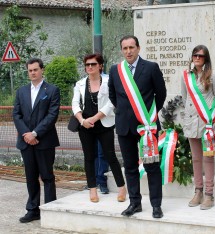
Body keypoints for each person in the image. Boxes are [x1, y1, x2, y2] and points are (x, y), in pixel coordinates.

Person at [108, 35, 167, 218]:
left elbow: (161, 94)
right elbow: (112, 95)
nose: (128, 51)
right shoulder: (116, 70)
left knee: (152, 166)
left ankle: (156, 205)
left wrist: (149, 116)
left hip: (147, 126)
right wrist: (125, 112)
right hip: (124, 126)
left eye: (131, 47)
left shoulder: (150, 67)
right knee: (130, 167)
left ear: (138, 48)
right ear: (121, 50)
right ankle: (135, 203)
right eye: (125, 48)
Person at [72, 53, 126, 203]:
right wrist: (82, 121)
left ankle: (122, 188)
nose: (90, 67)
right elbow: (75, 104)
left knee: (110, 156)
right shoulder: (80, 84)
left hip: (103, 123)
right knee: (89, 158)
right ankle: (93, 189)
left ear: (100, 66)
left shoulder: (109, 81)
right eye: (87, 64)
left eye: (93, 64)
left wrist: (95, 118)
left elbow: (111, 103)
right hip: (85, 126)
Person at [13, 58, 60, 223]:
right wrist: (27, 133)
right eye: (30, 70)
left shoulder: (52, 90)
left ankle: (51, 210)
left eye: (35, 69)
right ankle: (33, 210)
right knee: (31, 177)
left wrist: (35, 133)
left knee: (47, 176)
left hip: (44, 141)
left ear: (42, 70)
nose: (33, 73)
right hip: (26, 142)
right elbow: (16, 115)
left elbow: (52, 115)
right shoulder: (21, 91)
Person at [181, 45, 215, 210]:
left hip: (207, 123)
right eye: (195, 55)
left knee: (208, 158)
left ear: (206, 58)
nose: (197, 58)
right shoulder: (186, 76)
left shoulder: (213, 76)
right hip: (191, 122)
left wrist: (212, 120)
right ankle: (198, 191)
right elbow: (184, 98)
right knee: (196, 158)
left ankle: (209, 194)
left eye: (201, 56)